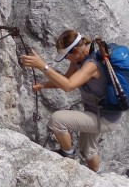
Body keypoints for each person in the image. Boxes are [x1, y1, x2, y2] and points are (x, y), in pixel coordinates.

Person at [19, 30, 121, 172]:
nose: (67, 59)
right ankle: (97, 177)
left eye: (67, 55)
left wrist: (43, 66)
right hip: (97, 112)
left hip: (104, 118)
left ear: (75, 50)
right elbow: (66, 79)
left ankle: (67, 154)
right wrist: (44, 85)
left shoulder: (91, 65)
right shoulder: (79, 60)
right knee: (87, 149)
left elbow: (68, 86)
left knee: (57, 120)